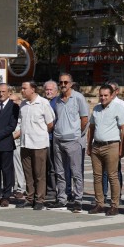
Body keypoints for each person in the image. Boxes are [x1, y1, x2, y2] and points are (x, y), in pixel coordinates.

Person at [86, 84, 124, 215]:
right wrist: (89, 145)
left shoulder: (118, 108)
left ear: (111, 95)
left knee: (112, 176)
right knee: (97, 176)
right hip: (97, 145)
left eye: (105, 95)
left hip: (112, 145)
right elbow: (91, 128)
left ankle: (114, 205)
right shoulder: (97, 109)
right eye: (101, 95)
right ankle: (99, 204)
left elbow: (123, 129)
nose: (103, 98)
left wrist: (122, 148)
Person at [13, 81, 54, 211]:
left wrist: (40, 135)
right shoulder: (23, 104)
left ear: (33, 89)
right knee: (28, 173)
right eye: (22, 88)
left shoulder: (43, 103)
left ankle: (40, 199)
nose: (22, 91)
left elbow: (50, 124)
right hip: (25, 144)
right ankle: (30, 198)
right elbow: (20, 122)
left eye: (24, 88)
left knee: (39, 174)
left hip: (39, 144)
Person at [50, 74, 89, 211]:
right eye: (61, 82)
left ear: (71, 83)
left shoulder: (78, 97)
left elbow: (84, 119)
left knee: (76, 172)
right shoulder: (58, 100)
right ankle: (62, 199)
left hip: (73, 140)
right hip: (58, 140)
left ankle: (78, 199)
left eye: (66, 82)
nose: (63, 84)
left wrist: (77, 135)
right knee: (60, 172)